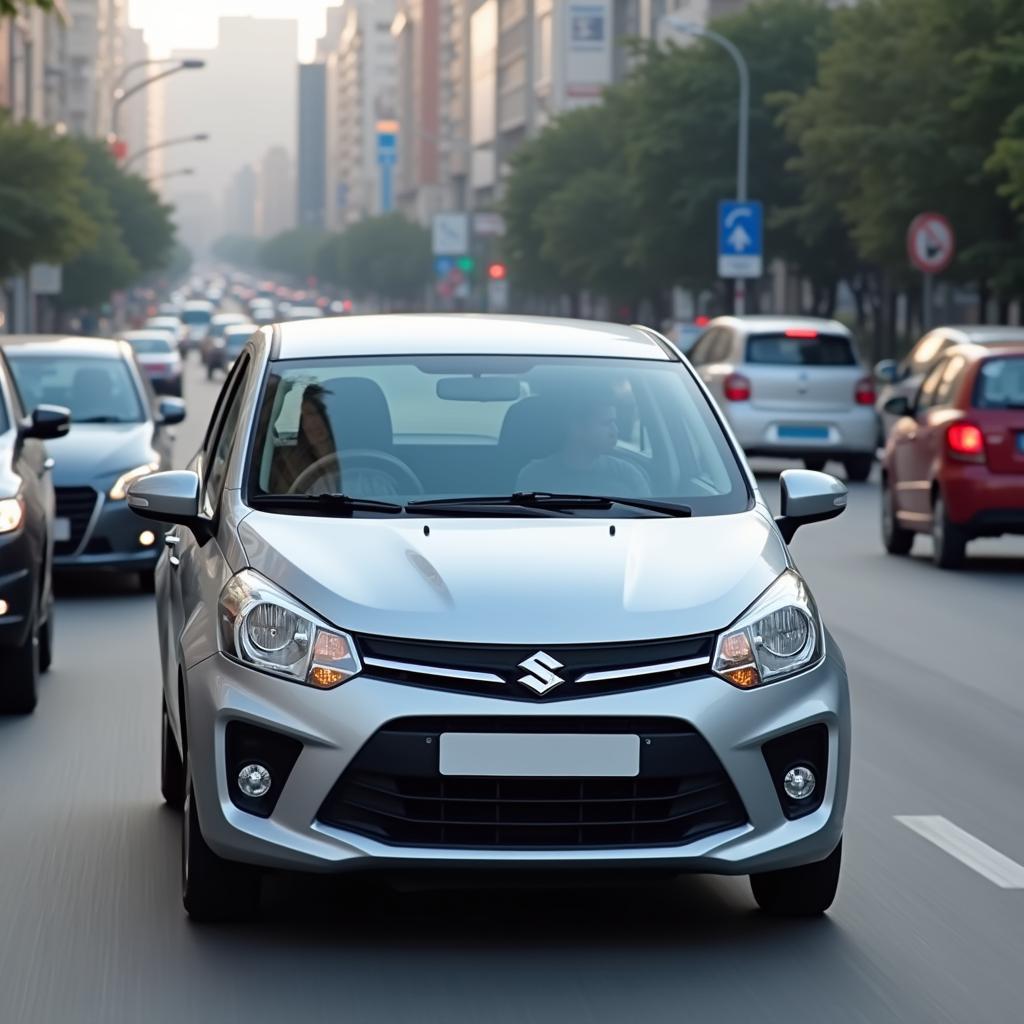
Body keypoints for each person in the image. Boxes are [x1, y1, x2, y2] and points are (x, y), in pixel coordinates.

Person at [516, 387, 650, 496]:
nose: (615, 431)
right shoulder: (534, 477)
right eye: (606, 423)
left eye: (614, 422)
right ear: (576, 428)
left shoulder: (627, 475)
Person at [271, 384, 338, 493]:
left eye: (321, 413)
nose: (313, 422)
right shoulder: (290, 466)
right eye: (308, 414)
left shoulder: (362, 462)